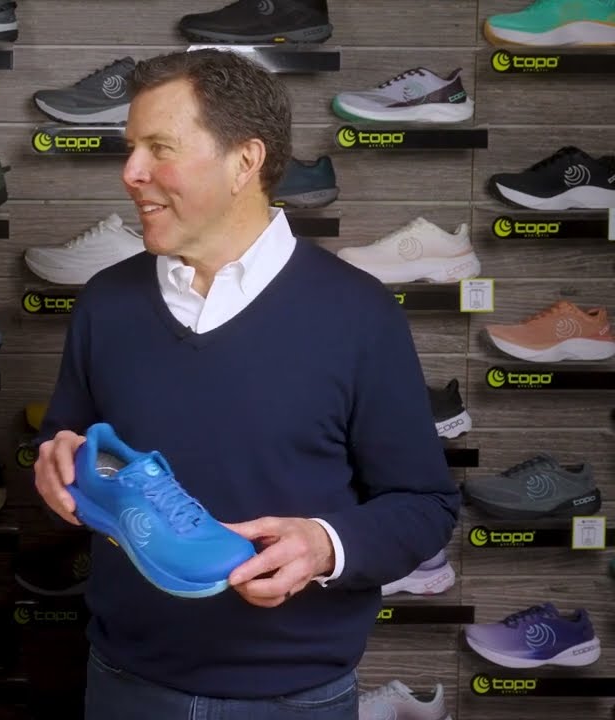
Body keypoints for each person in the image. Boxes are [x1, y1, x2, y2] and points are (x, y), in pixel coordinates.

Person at [32, 49, 461, 720]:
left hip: (296, 698)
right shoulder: (104, 303)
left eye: (159, 148)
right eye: (131, 148)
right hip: (124, 682)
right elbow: (71, 440)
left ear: (245, 161)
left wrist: (324, 545)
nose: (130, 172)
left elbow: (425, 505)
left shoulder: (359, 313)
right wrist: (56, 463)